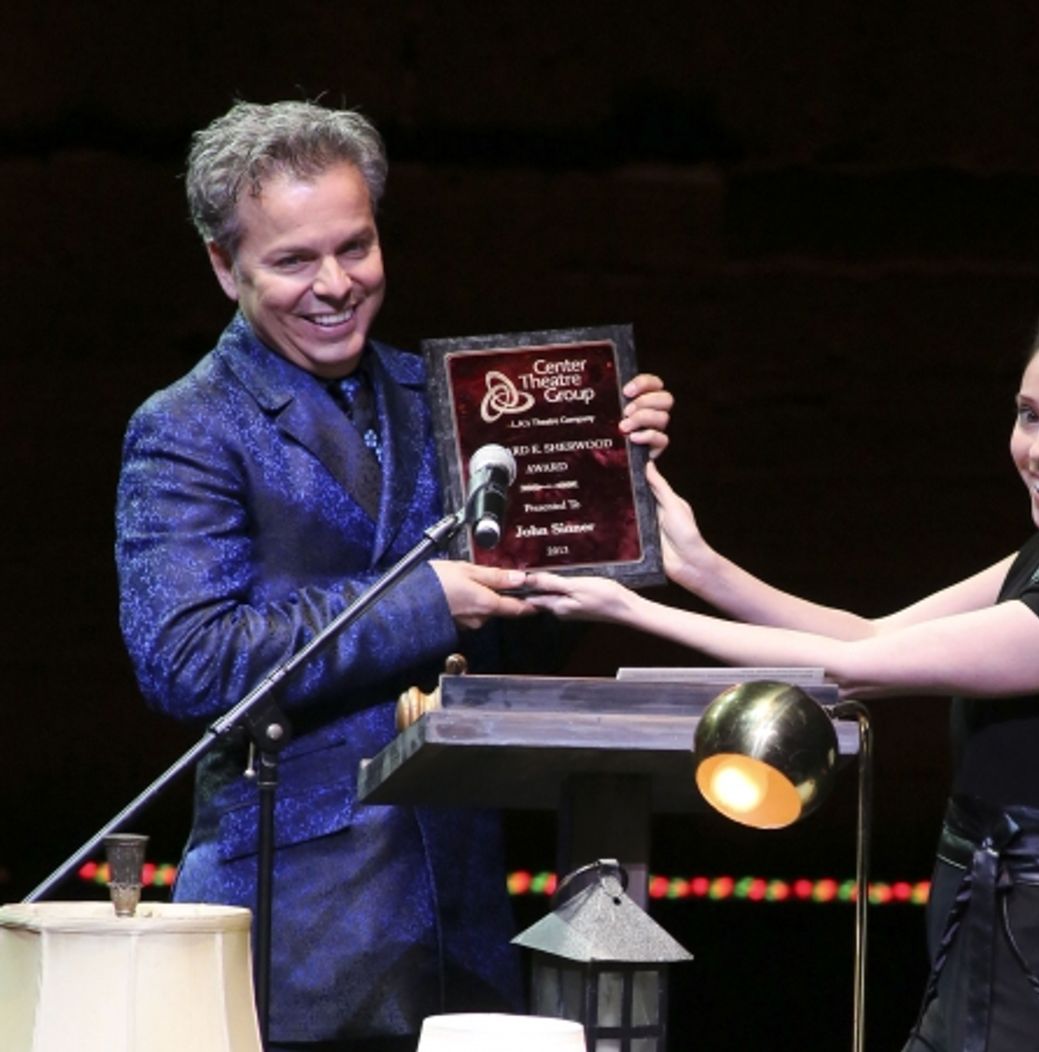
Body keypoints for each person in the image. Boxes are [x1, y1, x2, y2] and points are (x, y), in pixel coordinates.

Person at [115, 100, 673, 1052]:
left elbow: (508, 637)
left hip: (461, 926)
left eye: (356, 247)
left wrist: (613, 498)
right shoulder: (187, 427)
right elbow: (188, 660)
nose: (335, 284)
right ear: (225, 265)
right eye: (294, 260)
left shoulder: (439, 398)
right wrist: (426, 602)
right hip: (294, 933)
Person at [526, 258, 1039, 1052]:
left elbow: (851, 673)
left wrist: (629, 609)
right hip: (985, 937)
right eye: (1028, 415)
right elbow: (869, 633)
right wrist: (700, 567)